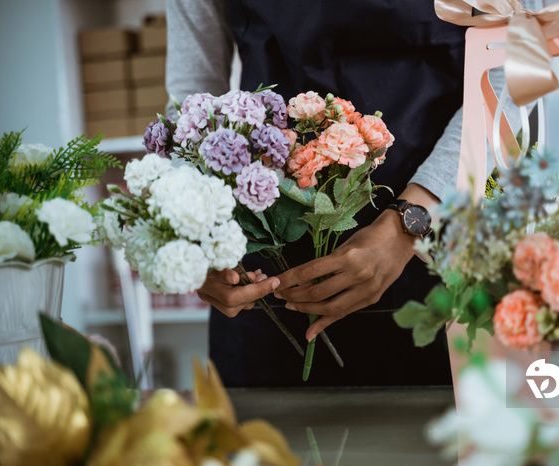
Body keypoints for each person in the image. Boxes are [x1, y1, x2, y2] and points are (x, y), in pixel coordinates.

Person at [166, 0, 539, 387]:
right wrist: (199, 236)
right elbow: (192, 97)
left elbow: (512, 69)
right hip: (270, 263)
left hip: (441, 238)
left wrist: (411, 221)